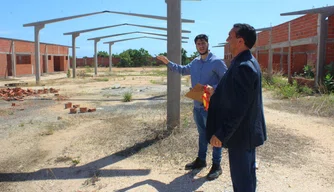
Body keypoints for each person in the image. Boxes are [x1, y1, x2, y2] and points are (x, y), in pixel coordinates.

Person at [156, 34, 227, 180]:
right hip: (197, 107)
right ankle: (201, 160)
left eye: (203, 43)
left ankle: (217, 165)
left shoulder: (217, 62)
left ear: (208, 44)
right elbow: (182, 70)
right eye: (198, 44)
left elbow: (226, 81)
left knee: (215, 136)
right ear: (196, 46)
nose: (201, 46)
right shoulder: (195, 62)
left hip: (211, 108)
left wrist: (213, 88)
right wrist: (168, 62)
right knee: (202, 135)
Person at [206, 23, 267, 191]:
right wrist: (215, 94)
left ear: (240, 41)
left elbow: (240, 107)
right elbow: (237, 95)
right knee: (246, 177)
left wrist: (222, 133)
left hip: (241, 135)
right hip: (243, 133)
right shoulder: (244, 62)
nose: (227, 40)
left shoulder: (244, 66)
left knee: (243, 181)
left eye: (230, 36)